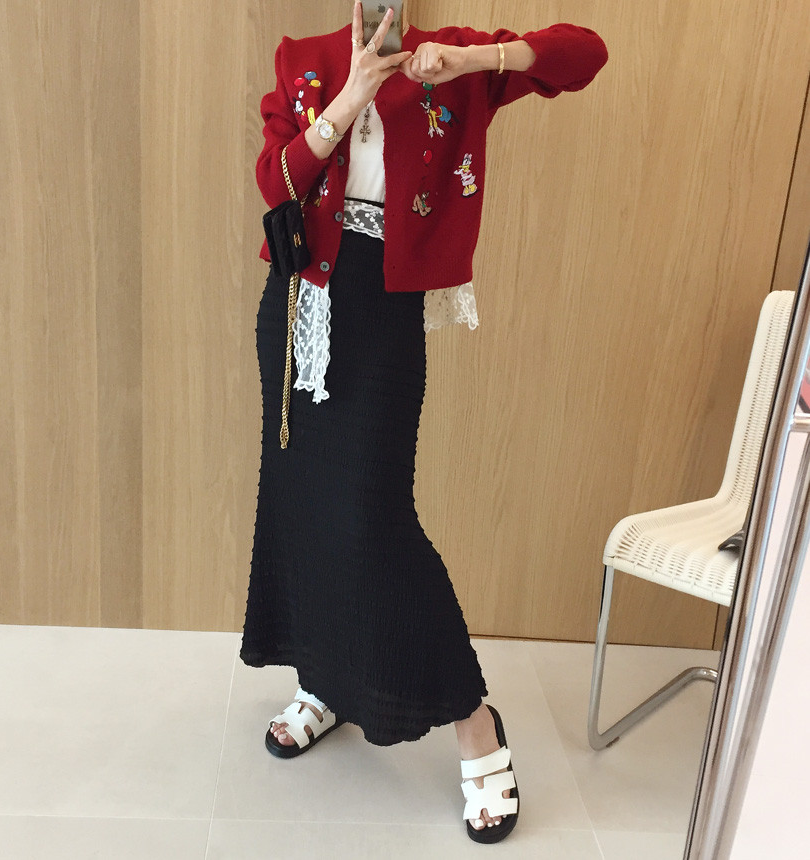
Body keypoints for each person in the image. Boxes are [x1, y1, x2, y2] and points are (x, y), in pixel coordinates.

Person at [240, 1, 608, 844]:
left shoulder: (453, 58)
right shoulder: (305, 58)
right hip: (297, 304)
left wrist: (480, 63)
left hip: (383, 311)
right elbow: (276, 182)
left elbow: (583, 55)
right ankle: (325, 678)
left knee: (373, 519)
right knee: (302, 504)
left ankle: (475, 723)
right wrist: (351, 94)